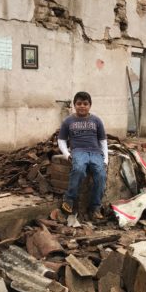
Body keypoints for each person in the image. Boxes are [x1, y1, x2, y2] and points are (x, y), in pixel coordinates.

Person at [58, 91, 108, 220]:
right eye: (79, 103)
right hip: (78, 151)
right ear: (74, 105)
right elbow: (61, 140)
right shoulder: (68, 121)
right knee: (79, 169)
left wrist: (106, 158)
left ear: (90, 105)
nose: (82, 106)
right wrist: (66, 154)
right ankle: (69, 199)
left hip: (96, 152)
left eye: (85, 103)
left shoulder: (96, 120)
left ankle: (95, 207)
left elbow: (103, 140)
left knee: (101, 175)